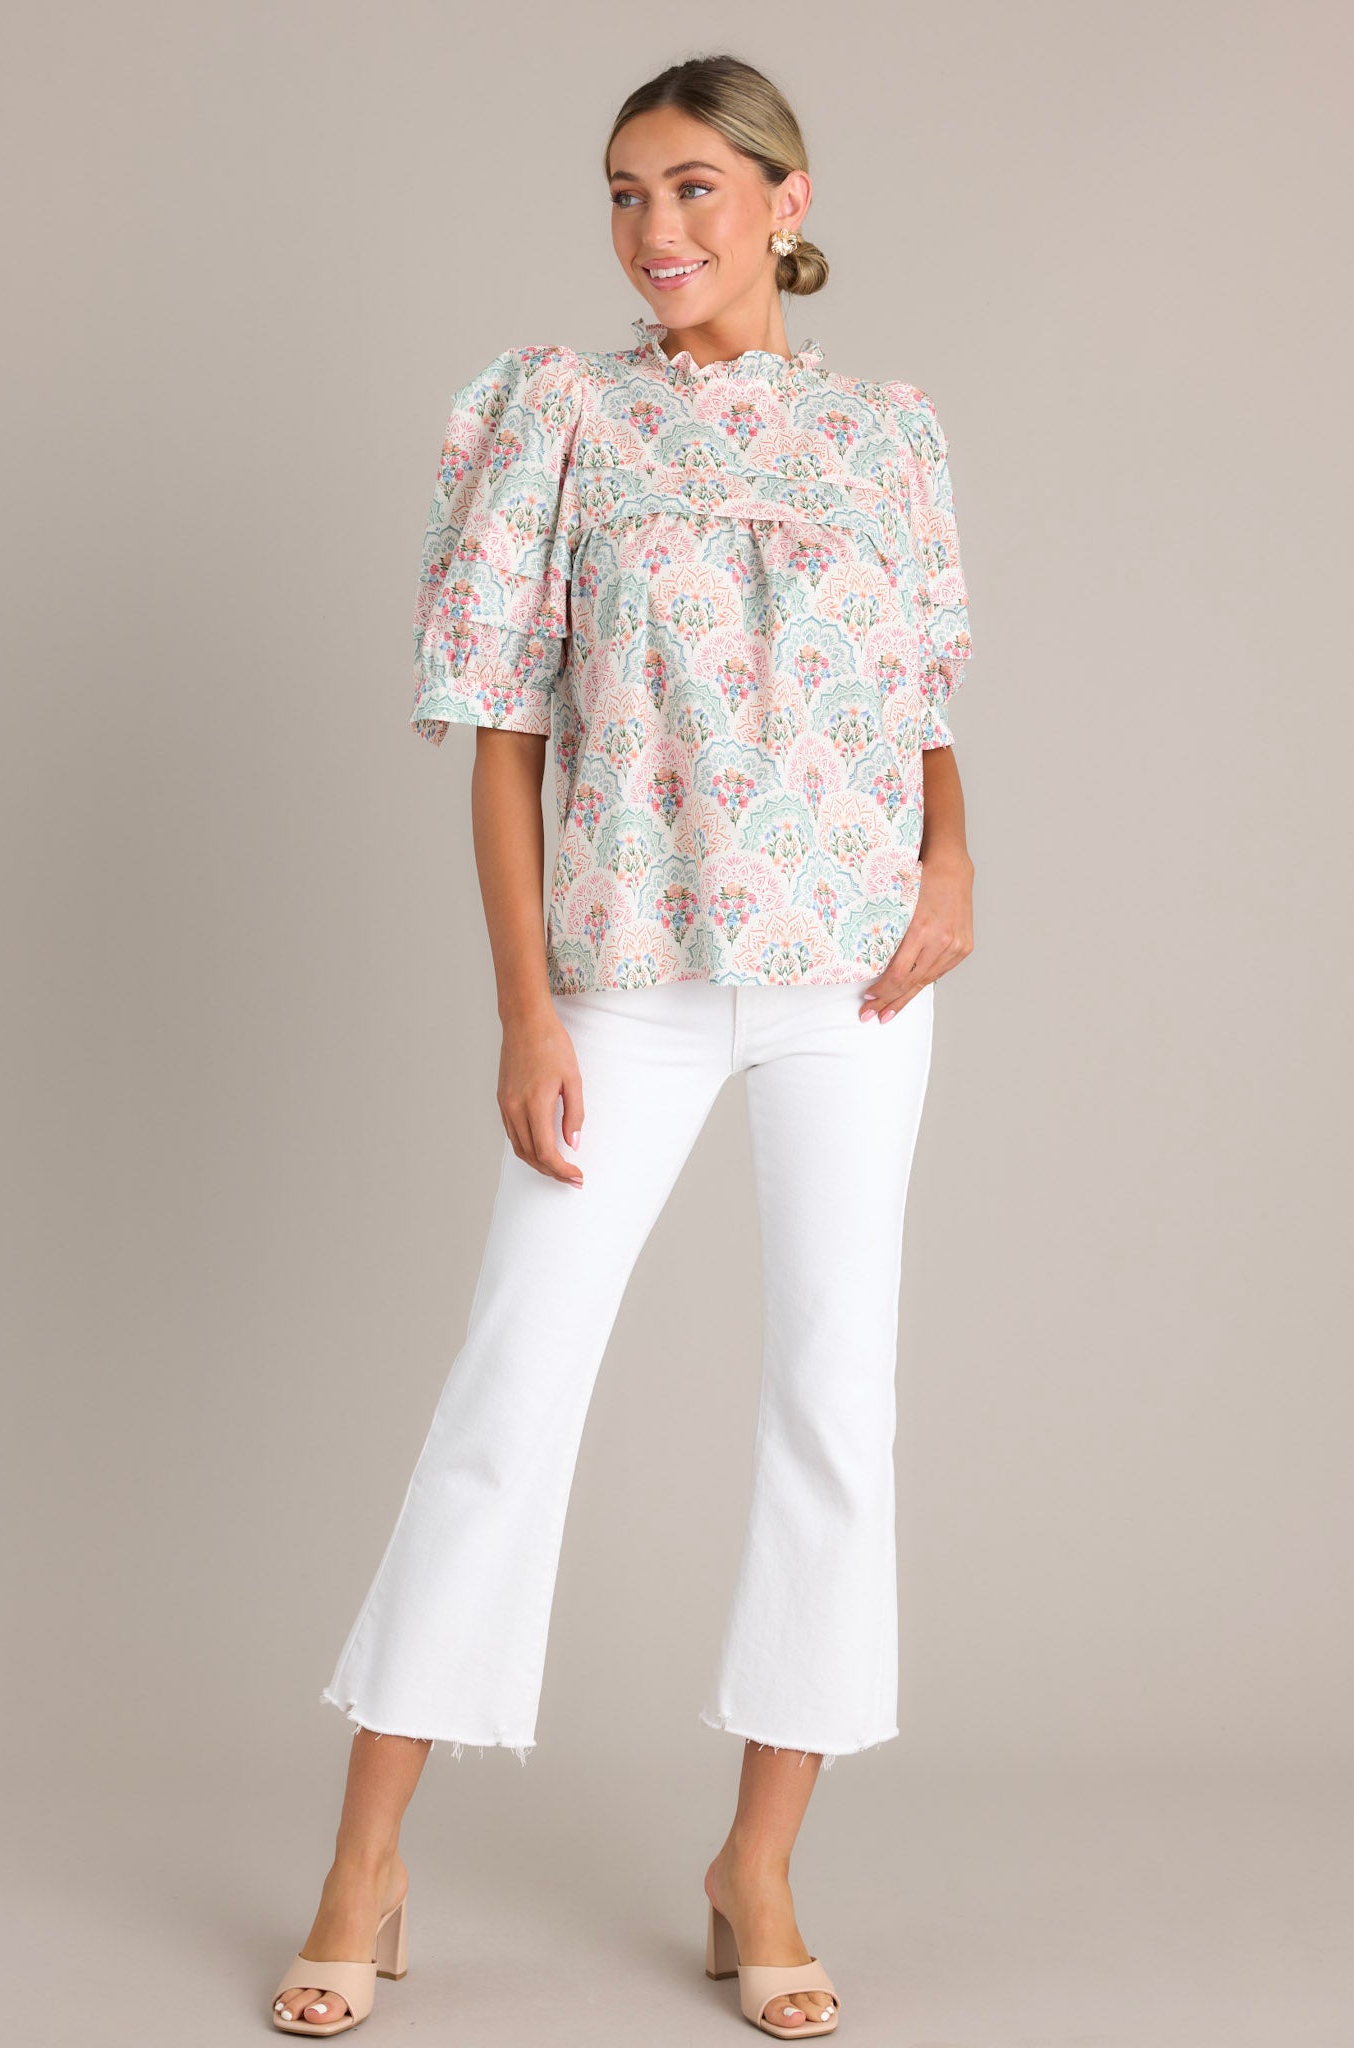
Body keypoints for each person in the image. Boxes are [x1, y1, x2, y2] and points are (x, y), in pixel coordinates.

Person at [269, 51, 975, 2042]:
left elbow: (919, 696)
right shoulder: (554, 414)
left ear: (782, 200)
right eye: (622, 193)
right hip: (627, 968)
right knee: (511, 1386)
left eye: (690, 188)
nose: (653, 230)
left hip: (855, 978)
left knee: (836, 1397)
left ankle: (758, 1865)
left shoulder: (888, 434)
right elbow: (501, 735)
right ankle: (363, 1866)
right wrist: (523, 1006)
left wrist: (953, 854)